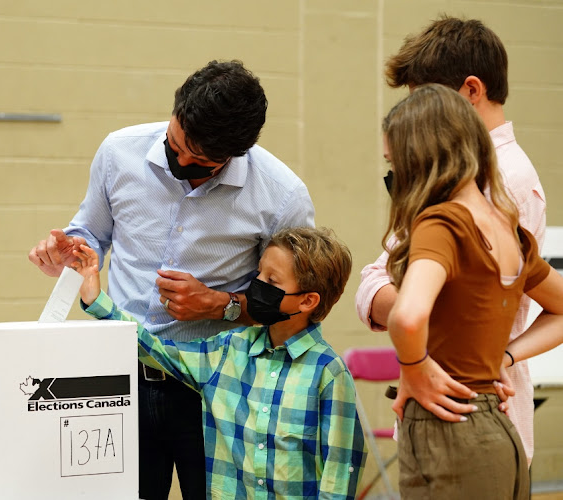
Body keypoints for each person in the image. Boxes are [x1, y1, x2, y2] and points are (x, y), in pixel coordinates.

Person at [28, 60, 316, 499]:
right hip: (117, 378)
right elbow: (91, 232)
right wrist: (66, 249)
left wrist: (221, 304)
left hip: (216, 388)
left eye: (198, 163)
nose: (180, 162)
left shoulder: (282, 196)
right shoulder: (118, 151)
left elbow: (292, 307)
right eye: (173, 146)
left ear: (237, 154)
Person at [355, 16, 546, 464]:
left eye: (428, 102)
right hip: (455, 409)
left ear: (470, 92)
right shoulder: (455, 178)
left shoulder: (493, 186)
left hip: (465, 413)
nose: (416, 120)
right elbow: (375, 280)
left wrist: (418, 360)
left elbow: (414, 307)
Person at [71, 226, 365, 499]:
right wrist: (98, 301)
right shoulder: (228, 350)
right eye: (259, 273)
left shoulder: (329, 374)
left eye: (272, 281)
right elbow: (157, 350)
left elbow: (340, 471)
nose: (257, 285)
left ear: (307, 301)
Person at [382, 84, 563, 499]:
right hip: (500, 432)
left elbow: (407, 316)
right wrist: (505, 356)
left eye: (396, 163)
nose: (393, 177)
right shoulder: (507, 228)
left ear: (420, 160)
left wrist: (414, 367)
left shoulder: (441, 224)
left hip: (448, 430)